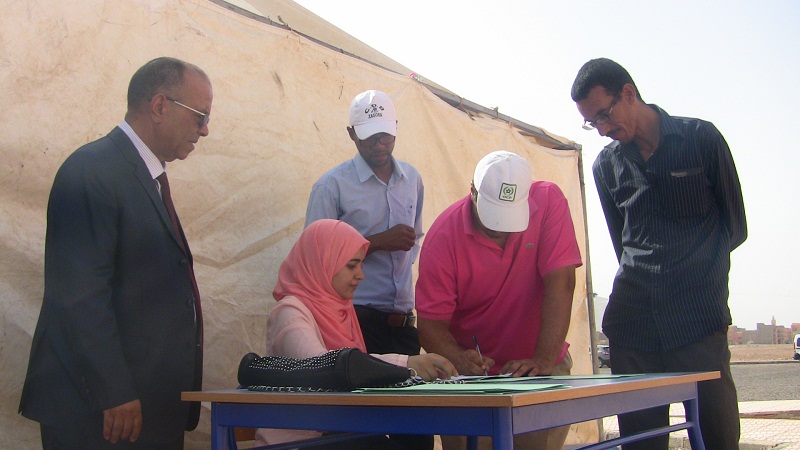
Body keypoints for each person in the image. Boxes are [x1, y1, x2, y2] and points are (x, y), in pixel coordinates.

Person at [18, 56, 212, 449]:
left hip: (146, 408)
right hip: (100, 413)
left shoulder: (142, 176)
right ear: (160, 106)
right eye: (200, 116)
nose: (205, 130)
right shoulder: (93, 171)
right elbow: (79, 296)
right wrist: (114, 391)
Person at [571, 57, 747, 450]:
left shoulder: (701, 140)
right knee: (640, 442)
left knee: (718, 437)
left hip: (698, 321)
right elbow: (623, 244)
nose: (602, 130)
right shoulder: (606, 167)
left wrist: (697, 280)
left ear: (628, 94)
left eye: (603, 115)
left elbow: (735, 226)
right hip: (633, 328)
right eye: (591, 122)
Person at [416, 150, 583, 450]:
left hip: (541, 369)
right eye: (493, 217)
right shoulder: (443, 237)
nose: (500, 229)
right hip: (471, 380)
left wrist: (544, 359)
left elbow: (562, 283)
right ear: (472, 192)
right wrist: (458, 358)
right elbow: (430, 325)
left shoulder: (549, 200)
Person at [254, 219, 457, 449]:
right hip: (298, 442)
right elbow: (325, 366)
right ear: (324, 263)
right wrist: (406, 364)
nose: (361, 275)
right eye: (352, 266)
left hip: (340, 434)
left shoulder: (341, 310)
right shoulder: (290, 312)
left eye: (360, 265)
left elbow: (354, 370)